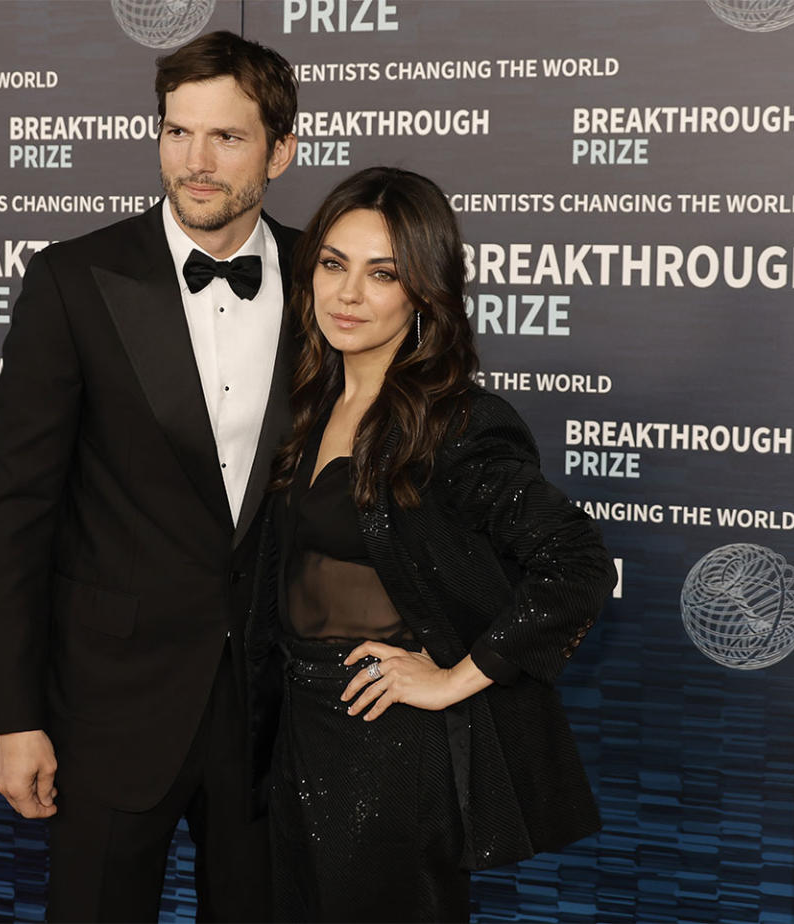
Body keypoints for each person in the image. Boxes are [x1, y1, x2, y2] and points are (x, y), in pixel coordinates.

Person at [0, 31, 299, 923]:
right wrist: (15, 715)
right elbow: (17, 513)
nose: (195, 162)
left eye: (226, 137)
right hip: (107, 709)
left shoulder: (326, 284)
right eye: (176, 132)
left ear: (282, 149)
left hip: (275, 715)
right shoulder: (75, 280)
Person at [245, 167, 617, 923]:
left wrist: (452, 678)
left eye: (382, 274)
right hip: (295, 732)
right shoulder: (307, 400)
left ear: (423, 291)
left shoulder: (455, 424)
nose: (348, 294)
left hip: (392, 752)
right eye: (333, 264)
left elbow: (576, 566)